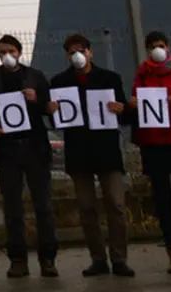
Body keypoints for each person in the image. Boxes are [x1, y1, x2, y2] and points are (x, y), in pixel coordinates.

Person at [48, 34, 134, 277]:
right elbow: (56, 123)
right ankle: (98, 258)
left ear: (90, 52)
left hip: (107, 150)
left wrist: (121, 109)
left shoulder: (109, 78)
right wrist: (52, 111)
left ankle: (119, 258)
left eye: (81, 50)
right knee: (86, 208)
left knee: (116, 205)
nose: (77, 54)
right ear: (66, 55)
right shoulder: (59, 82)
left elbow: (126, 117)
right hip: (79, 152)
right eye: (72, 51)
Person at [0, 34, 59, 278]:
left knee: (43, 205)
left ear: (19, 52)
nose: (7, 55)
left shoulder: (35, 76)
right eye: (2, 51)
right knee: (12, 207)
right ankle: (17, 259)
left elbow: (50, 109)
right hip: (7, 149)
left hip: (35, 146)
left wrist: (39, 100)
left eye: (11, 50)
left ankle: (48, 258)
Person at [129, 31, 171, 274]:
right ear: (147, 50)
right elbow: (136, 99)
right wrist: (134, 104)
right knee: (162, 199)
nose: (157, 50)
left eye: (160, 46)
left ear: (167, 46)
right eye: (153, 47)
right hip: (154, 143)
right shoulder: (143, 73)